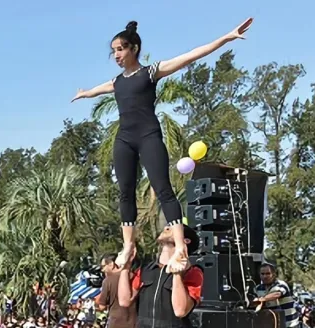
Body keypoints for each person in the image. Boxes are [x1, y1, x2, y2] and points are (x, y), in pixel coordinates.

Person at [72, 18, 253, 274]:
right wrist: (86, 93)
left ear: (134, 48)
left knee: (163, 188)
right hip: (124, 139)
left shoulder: (151, 72)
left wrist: (226, 37)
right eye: (113, 51)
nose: (116, 55)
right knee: (125, 191)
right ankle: (128, 245)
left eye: (120, 49)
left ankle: (180, 247)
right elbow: (102, 88)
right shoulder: (117, 82)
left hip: (148, 136)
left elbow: (190, 56)